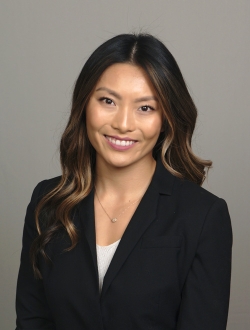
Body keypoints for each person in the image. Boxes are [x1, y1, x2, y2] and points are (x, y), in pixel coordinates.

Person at [15, 33, 232, 330]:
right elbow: (33, 321)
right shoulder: (48, 202)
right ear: (84, 105)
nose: (123, 124)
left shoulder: (203, 216)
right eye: (108, 101)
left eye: (145, 107)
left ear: (165, 118)